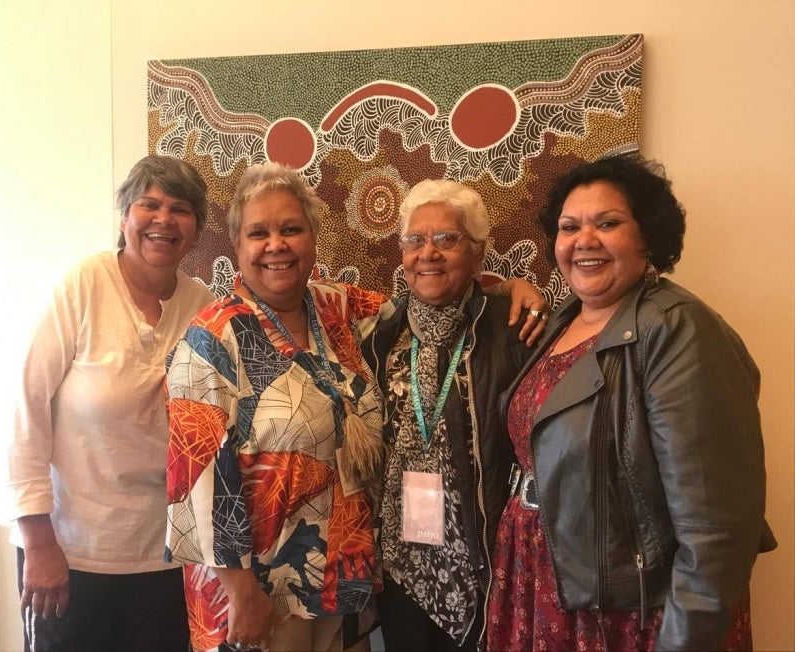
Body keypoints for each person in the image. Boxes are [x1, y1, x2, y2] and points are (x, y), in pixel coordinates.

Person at [163, 165, 548, 652]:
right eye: (258, 233)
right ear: (236, 246)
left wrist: (507, 289)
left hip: (339, 578)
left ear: (314, 238)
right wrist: (239, 592)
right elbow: (195, 479)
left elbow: (432, 295)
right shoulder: (209, 342)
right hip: (257, 587)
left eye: (291, 229)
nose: (276, 245)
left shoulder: (338, 308)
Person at [486, 153, 775, 652]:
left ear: (648, 238)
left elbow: (716, 524)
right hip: (543, 576)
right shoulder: (563, 319)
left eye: (608, 223)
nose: (584, 241)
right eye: (569, 226)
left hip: (631, 610)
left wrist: (686, 638)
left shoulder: (677, 328)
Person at [8, 155, 215, 651]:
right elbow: (26, 412)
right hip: (71, 552)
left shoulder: (202, 303)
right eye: (149, 204)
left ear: (196, 229)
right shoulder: (82, 285)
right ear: (125, 218)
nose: (163, 219)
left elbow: (208, 429)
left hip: (164, 556)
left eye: (180, 209)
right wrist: (38, 542)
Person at [361, 179, 544, 652]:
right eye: (415, 239)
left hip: (482, 551)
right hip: (400, 554)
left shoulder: (513, 327)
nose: (429, 253)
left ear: (478, 252)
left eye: (447, 239)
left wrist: (515, 287)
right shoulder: (381, 333)